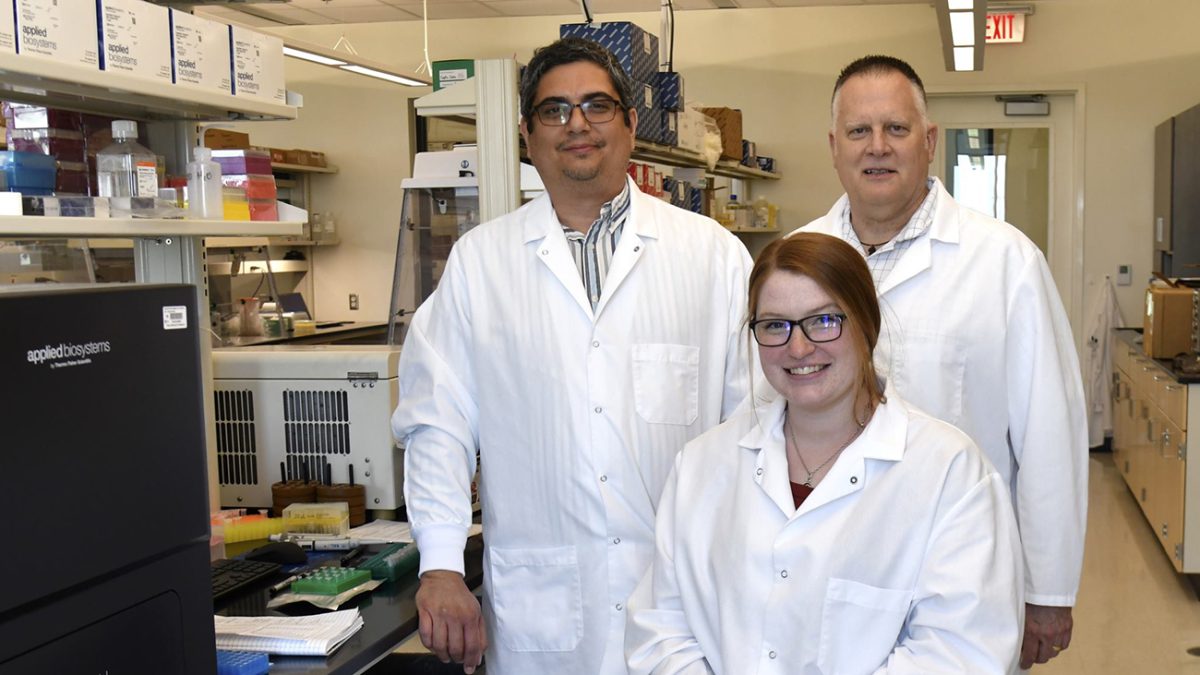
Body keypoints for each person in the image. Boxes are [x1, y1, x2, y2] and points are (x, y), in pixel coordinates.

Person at [391, 37, 754, 675]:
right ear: (528, 134)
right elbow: (437, 422)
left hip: (687, 605)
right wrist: (442, 566)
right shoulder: (481, 264)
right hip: (543, 613)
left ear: (631, 123)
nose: (577, 124)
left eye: (597, 105)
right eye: (555, 110)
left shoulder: (714, 257)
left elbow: (756, 427)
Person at [798, 54, 1088, 669]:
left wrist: (1048, 592)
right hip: (823, 570)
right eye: (858, 131)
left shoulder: (1005, 263)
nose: (877, 147)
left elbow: (1048, 436)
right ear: (833, 146)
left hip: (962, 574)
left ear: (928, 142)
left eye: (896, 129)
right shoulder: (797, 260)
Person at [625, 233, 1024, 674]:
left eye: (824, 321)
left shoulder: (951, 473)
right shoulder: (702, 466)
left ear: (866, 325)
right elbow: (660, 627)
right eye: (775, 325)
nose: (798, 348)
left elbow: (960, 652)